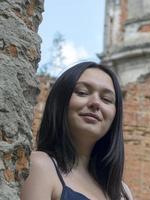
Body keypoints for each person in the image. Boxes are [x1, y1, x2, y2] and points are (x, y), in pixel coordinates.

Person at [20, 62, 133, 200]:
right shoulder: (40, 166)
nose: (95, 103)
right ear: (60, 101)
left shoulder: (122, 192)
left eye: (106, 99)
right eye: (82, 92)